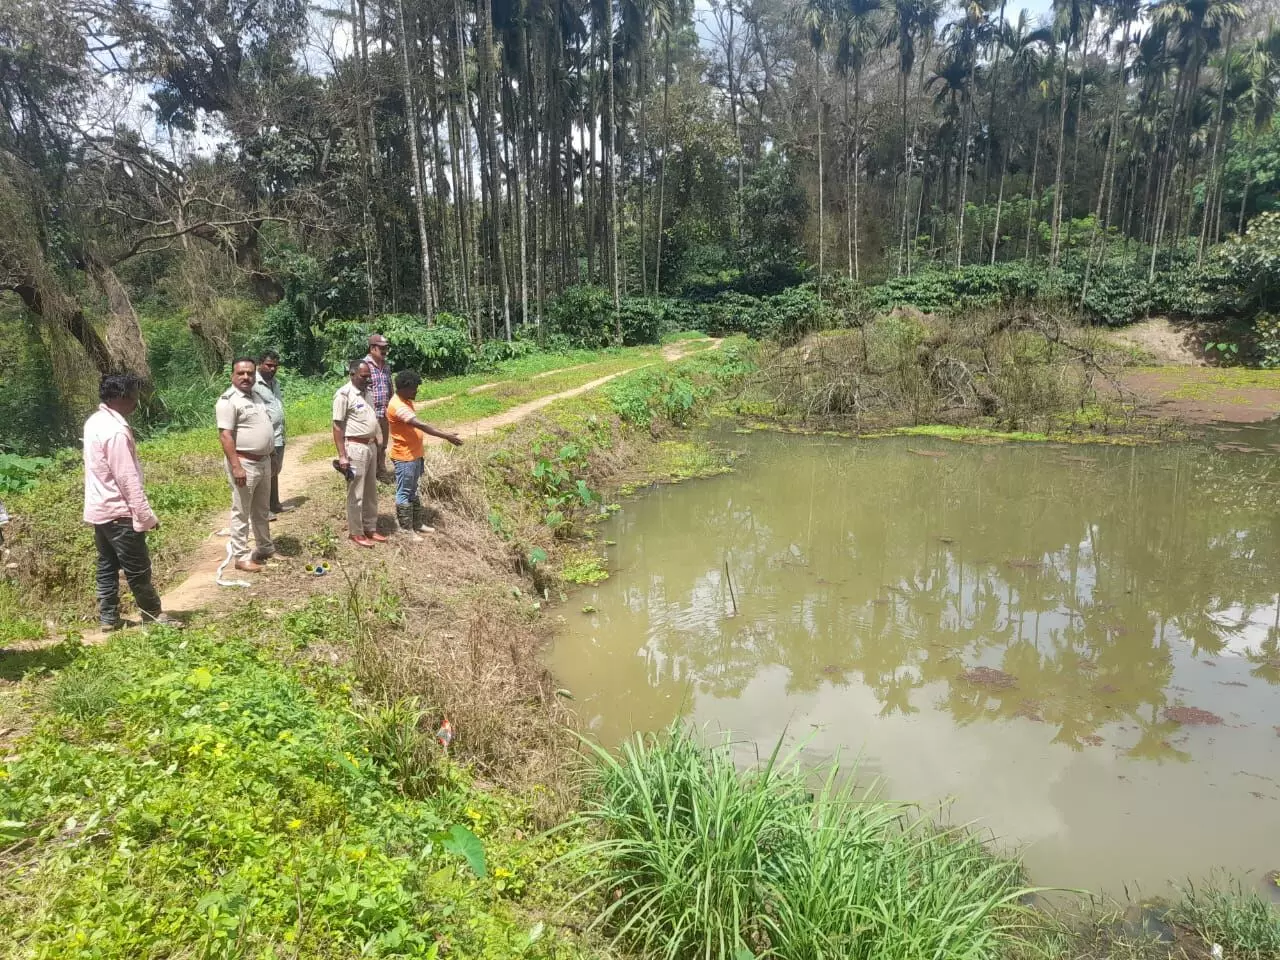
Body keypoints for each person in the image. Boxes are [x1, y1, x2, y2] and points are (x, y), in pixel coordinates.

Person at [83, 373, 179, 629]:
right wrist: (145, 516)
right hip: (119, 510)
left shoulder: (95, 422)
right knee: (137, 567)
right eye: (134, 395)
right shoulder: (115, 431)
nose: (137, 401)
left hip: (100, 509)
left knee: (106, 564)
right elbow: (127, 478)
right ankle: (153, 615)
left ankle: (109, 617)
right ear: (121, 397)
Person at [387, 370, 464, 540]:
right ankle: (406, 530)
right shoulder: (398, 406)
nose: (417, 391)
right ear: (405, 388)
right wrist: (446, 436)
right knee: (404, 492)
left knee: (414, 489)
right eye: (414, 388)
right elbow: (422, 425)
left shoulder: (405, 400)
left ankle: (417, 524)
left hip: (414, 454)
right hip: (405, 456)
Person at [216, 357, 276, 572]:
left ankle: (265, 548)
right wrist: (236, 466)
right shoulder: (228, 400)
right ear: (232, 375)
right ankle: (241, 556)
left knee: (261, 509)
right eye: (241, 373)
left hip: (263, 461)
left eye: (250, 373)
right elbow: (225, 436)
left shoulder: (256, 396)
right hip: (244, 463)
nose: (246, 377)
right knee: (241, 510)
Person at [333, 359, 386, 547]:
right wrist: (342, 455)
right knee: (356, 492)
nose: (367, 380)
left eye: (369, 377)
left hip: (370, 446)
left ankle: (370, 526)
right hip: (355, 447)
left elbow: (373, 417)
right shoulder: (344, 395)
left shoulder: (368, 393)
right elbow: (337, 426)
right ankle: (356, 531)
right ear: (352, 374)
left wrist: (379, 439)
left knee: (371, 490)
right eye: (363, 377)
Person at [253, 350, 290, 518]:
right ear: (260, 364)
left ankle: (275, 504)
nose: (272, 369)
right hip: (265, 436)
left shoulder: (275, 383)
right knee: (264, 474)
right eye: (268, 365)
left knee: (275, 470)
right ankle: (263, 509)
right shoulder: (253, 384)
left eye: (275, 366)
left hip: (278, 434)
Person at [362, 333, 393, 483]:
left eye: (386, 348)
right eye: (382, 348)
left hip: (385, 412)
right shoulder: (364, 366)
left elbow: (390, 386)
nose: (385, 351)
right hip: (371, 413)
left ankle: (381, 469)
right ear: (372, 348)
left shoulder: (386, 366)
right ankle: (371, 472)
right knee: (373, 443)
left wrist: (392, 406)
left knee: (383, 443)